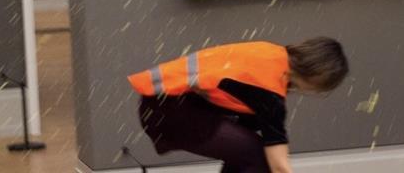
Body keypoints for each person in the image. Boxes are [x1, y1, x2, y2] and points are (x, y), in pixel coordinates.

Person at [128, 37, 349, 173]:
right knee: (258, 156)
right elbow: (279, 166)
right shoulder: (270, 90)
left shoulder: (269, 53)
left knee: (246, 151)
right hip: (172, 111)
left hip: (162, 104)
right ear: (318, 78)